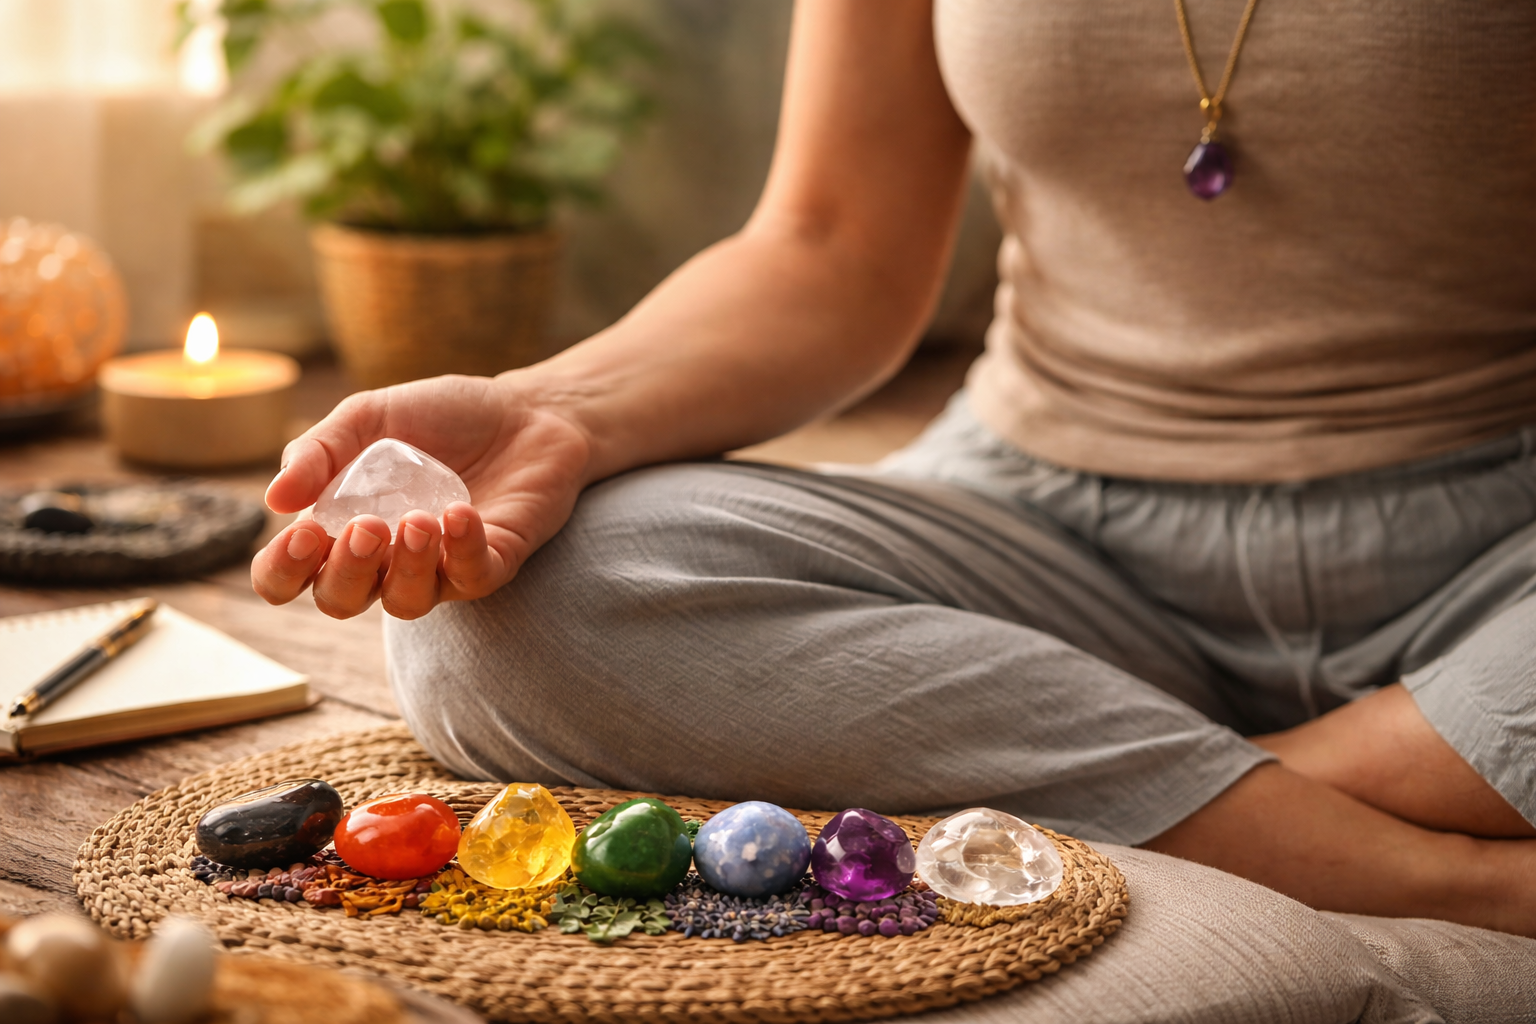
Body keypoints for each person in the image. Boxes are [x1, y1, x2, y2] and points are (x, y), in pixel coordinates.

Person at [251, 1, 1536, 936]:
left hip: (1501, 544)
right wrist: (556, 409)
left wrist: (933, 731)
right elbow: (831, 241)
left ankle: (1179, 788)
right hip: (1046, 533)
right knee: (502, 615)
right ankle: (1445, 875)